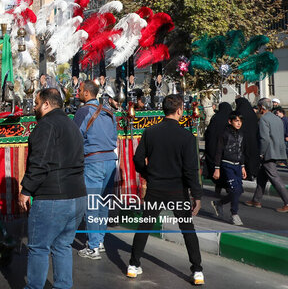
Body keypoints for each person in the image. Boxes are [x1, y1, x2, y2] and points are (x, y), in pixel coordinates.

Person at [127, 94, 203, 285]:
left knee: (145, 226)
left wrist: (147, 173)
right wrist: (197, 195)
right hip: (178, 189)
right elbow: (191, 169)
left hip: (156, 187)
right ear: (179, 110)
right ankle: (197, 270)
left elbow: (137, 159)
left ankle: (133, 265)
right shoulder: (186, 136)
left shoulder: (150, 132)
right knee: (187, 229)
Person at [19, 88, 86, 289]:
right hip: (77, 196)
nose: (34, 107)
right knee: (62, 246)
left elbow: (39, 162)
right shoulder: (71, 124)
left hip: (53, 198)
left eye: (37, 103)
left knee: (39, 247)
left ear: (47, 104)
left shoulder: (46, 126)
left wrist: (26, 190)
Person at [72, 80, 117, 260]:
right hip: (110, 161)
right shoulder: (109, 111)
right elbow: (114, 135)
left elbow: (74, 137)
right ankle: (99, 241)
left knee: (92, 204)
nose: (78, 92)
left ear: (87, 93)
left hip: (93, 162)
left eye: (80, 90)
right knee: (103, 204)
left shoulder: (83, 111)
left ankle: (93, 247)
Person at [245, 98, 288, 212]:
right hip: (277, 150)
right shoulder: (277, 119)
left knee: (275, 178)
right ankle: (256, 200)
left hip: (268, 152)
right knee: (262, 177)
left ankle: (287, 202)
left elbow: (264, 138)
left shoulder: (264, 119)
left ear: (262, 108)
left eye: (259, 107)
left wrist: (261, 153)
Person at [210, 112, 247, 225]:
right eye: (236, 121)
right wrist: (217, 168)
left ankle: (219, 203)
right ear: (230, 121)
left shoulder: (241, 134)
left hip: (237, 165)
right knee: (234, 190)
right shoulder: (224, 134)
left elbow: (241, 151)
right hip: (227, 164)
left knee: (239, 190)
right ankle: (234, 214)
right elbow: (219, 151)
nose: (239, 123)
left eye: (240, 121)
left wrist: (242, 166)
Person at [204, 102, 232, 196]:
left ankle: (218, 187)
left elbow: (209, 133)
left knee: (216, 167)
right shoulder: (231, 119)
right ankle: (228, 189)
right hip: (228, 149)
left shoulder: (215, 118)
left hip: (216, 147)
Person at [235, 97, 260, 180]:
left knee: (244, 156)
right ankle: (253, 173)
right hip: (253, 140)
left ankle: (245, 173)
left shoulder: (239, 114)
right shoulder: (253, 114)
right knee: (252, 156)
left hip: (242, 140)